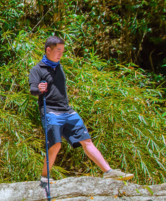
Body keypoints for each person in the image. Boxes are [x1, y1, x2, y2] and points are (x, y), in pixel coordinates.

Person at [30, 36, 134, 184]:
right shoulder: (37, 69)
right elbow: (33, 89)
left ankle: (108, 172)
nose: (61, 54)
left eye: (62, 51)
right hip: (51, 111)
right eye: (58, 51)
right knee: (55, 144)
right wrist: (39, 89)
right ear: (48, 49)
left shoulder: (58, 67)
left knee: (86, 140)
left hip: (67, 111)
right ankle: (44, 177)